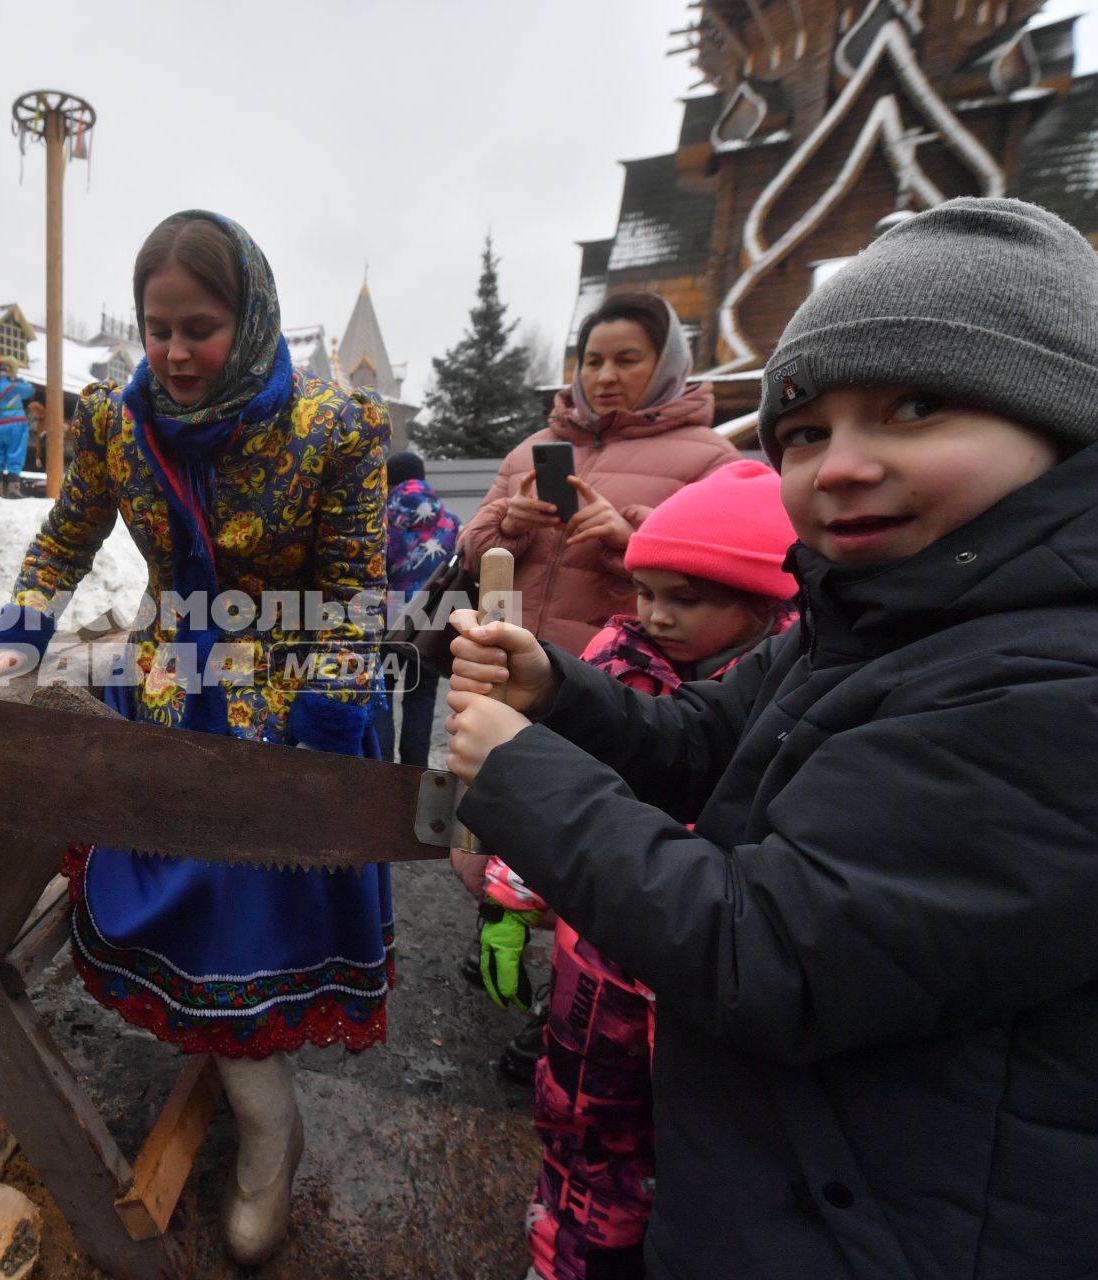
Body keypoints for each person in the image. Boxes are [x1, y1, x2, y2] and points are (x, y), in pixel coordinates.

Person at [444, 198, 1098, 1279]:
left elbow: (765, 950)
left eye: (916, 407)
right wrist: (557, 689)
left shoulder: (1051, 680)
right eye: (805, 431)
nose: (839, 465)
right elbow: (699, 736)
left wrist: (521, 768)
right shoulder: (883, 609)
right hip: (791, 1178)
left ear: (1057, 418)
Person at [0, 210, 392, 1266]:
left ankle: (266, 1135)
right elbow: (69, 532)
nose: (173, 352)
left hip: (291, 700)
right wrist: (19, 637)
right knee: (171, 903)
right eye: (157, 327)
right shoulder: (121, 420)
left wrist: (327, 715)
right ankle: (235, 1073)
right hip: (170, 685)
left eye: (198, 327)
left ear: (250, 321)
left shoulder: (335, 429)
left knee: (255, 916)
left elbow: (352, 592)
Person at [476, 460, 798, 1280]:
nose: (655, 613)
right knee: (580, 1128)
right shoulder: (619, 653)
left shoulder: (788, 695)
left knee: (672, 1164)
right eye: (646, 590)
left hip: (687, 992)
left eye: (685, 599)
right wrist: (511, 899)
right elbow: (560, 771)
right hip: (594, 970)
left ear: (766, 608)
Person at [460, 292, 738, 657]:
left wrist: (630, 539)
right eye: (592, 362)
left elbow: (729, 582)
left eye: (626, 360)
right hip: (504, 667)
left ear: (666, 364)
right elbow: (468, 557)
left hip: (622, 684)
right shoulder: (527, 451)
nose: (605, 377)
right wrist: (508, 526)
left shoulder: (714, 459)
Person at [376, 451, 458, 767]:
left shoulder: (378, 519)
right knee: (422, 696)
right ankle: (415, 773)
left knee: (379, 693)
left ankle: (380, 769)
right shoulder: (451, 521)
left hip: (387, 619)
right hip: (432, 620)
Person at [0, 360, 37, 497]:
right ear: (10, 372)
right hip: (15, 424)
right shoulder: (16, 386)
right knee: (16, 453)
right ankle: (13, 490)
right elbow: (31, 390)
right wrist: (19, 379)